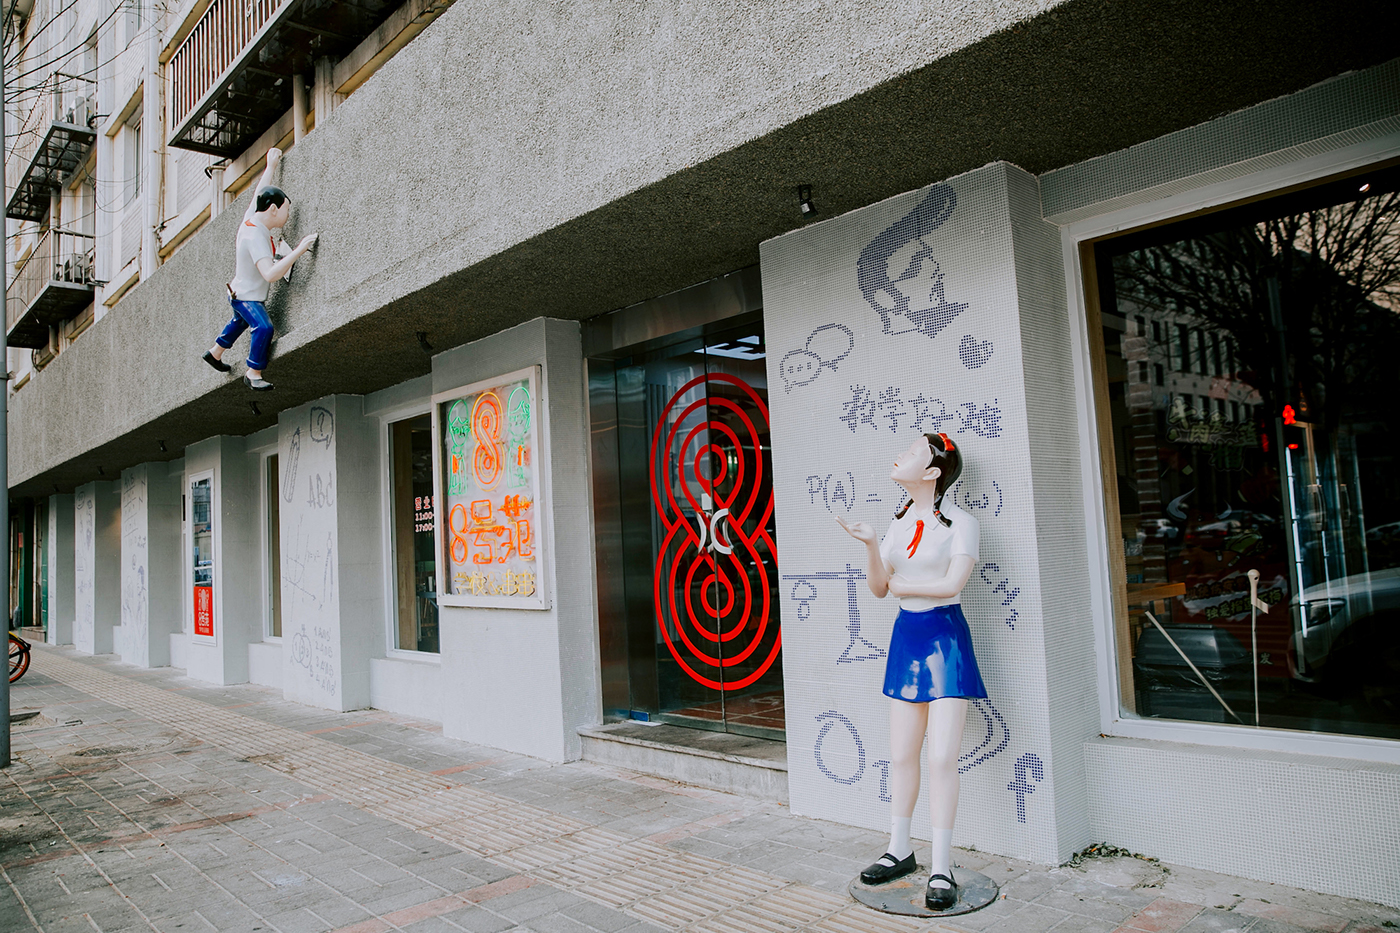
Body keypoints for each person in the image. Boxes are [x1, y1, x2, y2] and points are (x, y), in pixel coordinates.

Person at [837, 432, 986, 912]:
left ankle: (941, 865)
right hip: (907, 639)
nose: (898, 455)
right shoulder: (896, 525)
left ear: (932, 473)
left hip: (945, 639)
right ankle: (899, 847)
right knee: (902, 753)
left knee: (942, 757)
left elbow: (950, 585)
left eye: (912, 454)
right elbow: (880, 588)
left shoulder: (962, 523)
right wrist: (869, 545)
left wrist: (903, 584)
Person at [202, 146, 317, 391]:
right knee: (263, 326)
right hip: (247, 296)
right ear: (273, 210)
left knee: (239, 321)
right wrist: (299, 250)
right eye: (286, 209)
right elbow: (271, 274)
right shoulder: (255, 237)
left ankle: (215, 352)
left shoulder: (252, 217)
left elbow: (258, 192)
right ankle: (254, 371)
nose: (287, 214)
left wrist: (271, 166)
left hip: (239, 291)